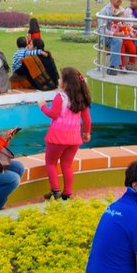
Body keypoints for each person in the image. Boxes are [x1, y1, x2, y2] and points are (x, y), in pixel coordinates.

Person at [38, 67, 92, 200]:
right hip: (73, 139)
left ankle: (55, 191)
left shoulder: (60, 97)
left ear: (66, 83)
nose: (59, 80)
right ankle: (67, 193)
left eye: (61, 78)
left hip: (57, 137)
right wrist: (86, 133)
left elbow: (53, 114)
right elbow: (87, 120)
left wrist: (43, 106)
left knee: (51, 163)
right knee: (67, 165)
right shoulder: (81, 98)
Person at [97, 0, 127, 74]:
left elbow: (126, 24)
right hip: (107, 37)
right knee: (117, 40)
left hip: (120, 34)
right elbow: (101, 29)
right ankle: (112, 67)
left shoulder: (122, 10)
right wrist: (114, 34)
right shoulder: (105, 11)